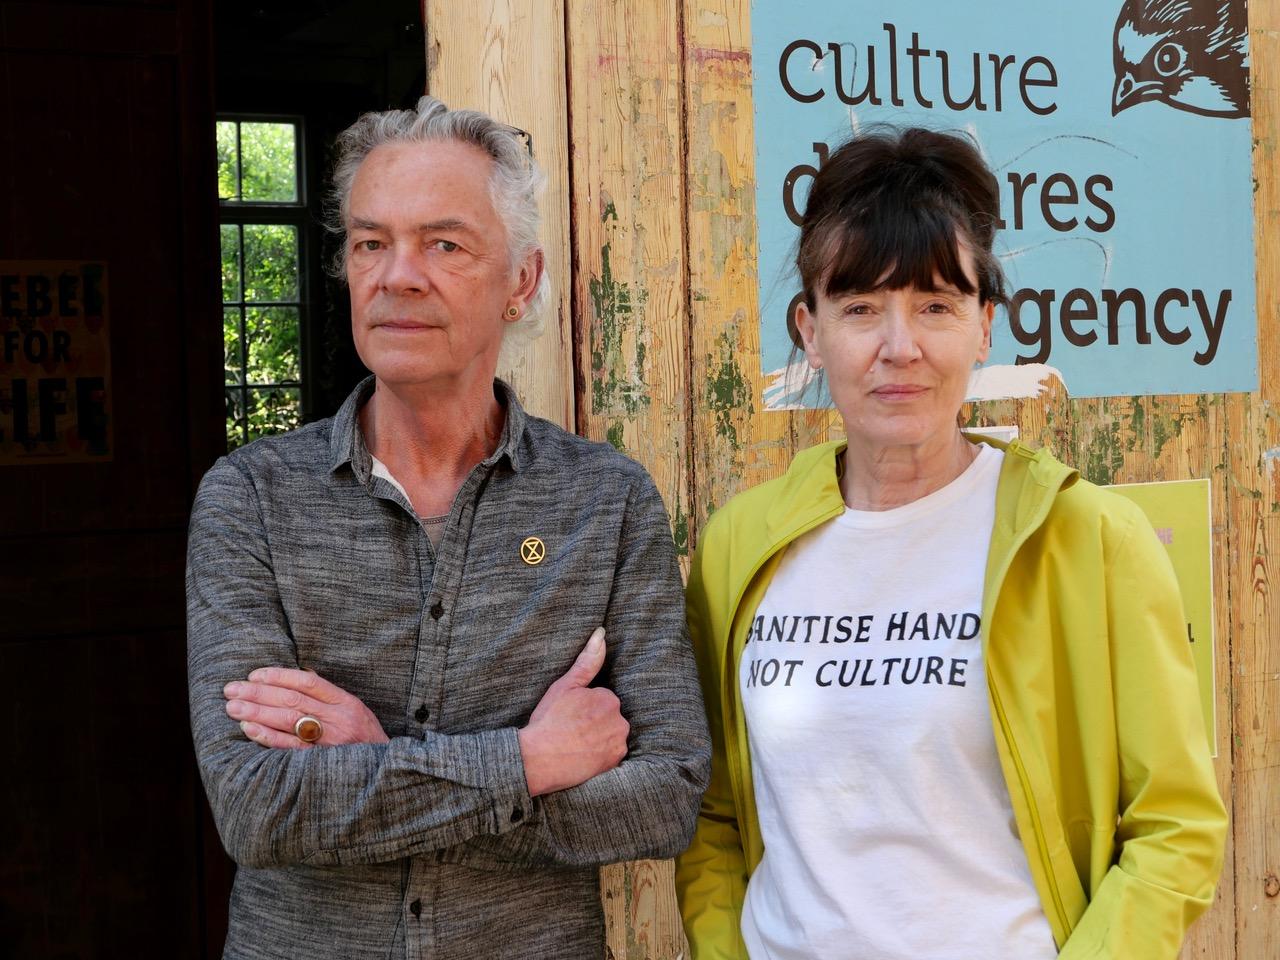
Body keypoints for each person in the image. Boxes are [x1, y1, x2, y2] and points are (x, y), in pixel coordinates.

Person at [674, 127, 1226, 960]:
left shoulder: (1086, 538)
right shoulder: (740, 545)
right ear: (810, 330)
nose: (901, 347)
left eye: (936, 305)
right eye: (860, 308)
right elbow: (711, 813)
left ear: (985, 327)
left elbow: (1176, 827)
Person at [187, 95, 710, 960]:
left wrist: (373, 758)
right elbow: (256, 807)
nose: (398, 275)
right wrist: (531, 762)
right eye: (369, 243)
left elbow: (667, 794)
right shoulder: (252, 500)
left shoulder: (603, 502)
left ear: (522, 281)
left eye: (444, 244)